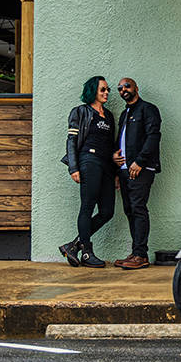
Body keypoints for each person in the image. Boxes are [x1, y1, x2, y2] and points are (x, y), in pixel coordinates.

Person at [59, 76, 116, 268]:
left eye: (107, 90)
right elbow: (71, 142)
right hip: (88, 161)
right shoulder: (80, 112)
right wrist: (73, 167)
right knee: (87, 206)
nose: (106, 93)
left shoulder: (108, 116)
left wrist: (115, 172)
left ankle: (72, 246)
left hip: (106, 165)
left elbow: (111, 145)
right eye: (102, 90)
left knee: (107, 211)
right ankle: (86, 253)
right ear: (93, 91)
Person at [111, 78, 162, 270]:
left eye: (127, 86)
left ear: (136, 88)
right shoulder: (125, 114)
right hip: (124, 170)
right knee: (130, 210)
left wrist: (140, 162)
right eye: (120, 88)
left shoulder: (148, 109)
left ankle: (141, 255)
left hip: (141, 169)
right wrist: (116, 161)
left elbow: (153, 136)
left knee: (138, 208)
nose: (123, 89)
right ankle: (136, 252)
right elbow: (121, 140)